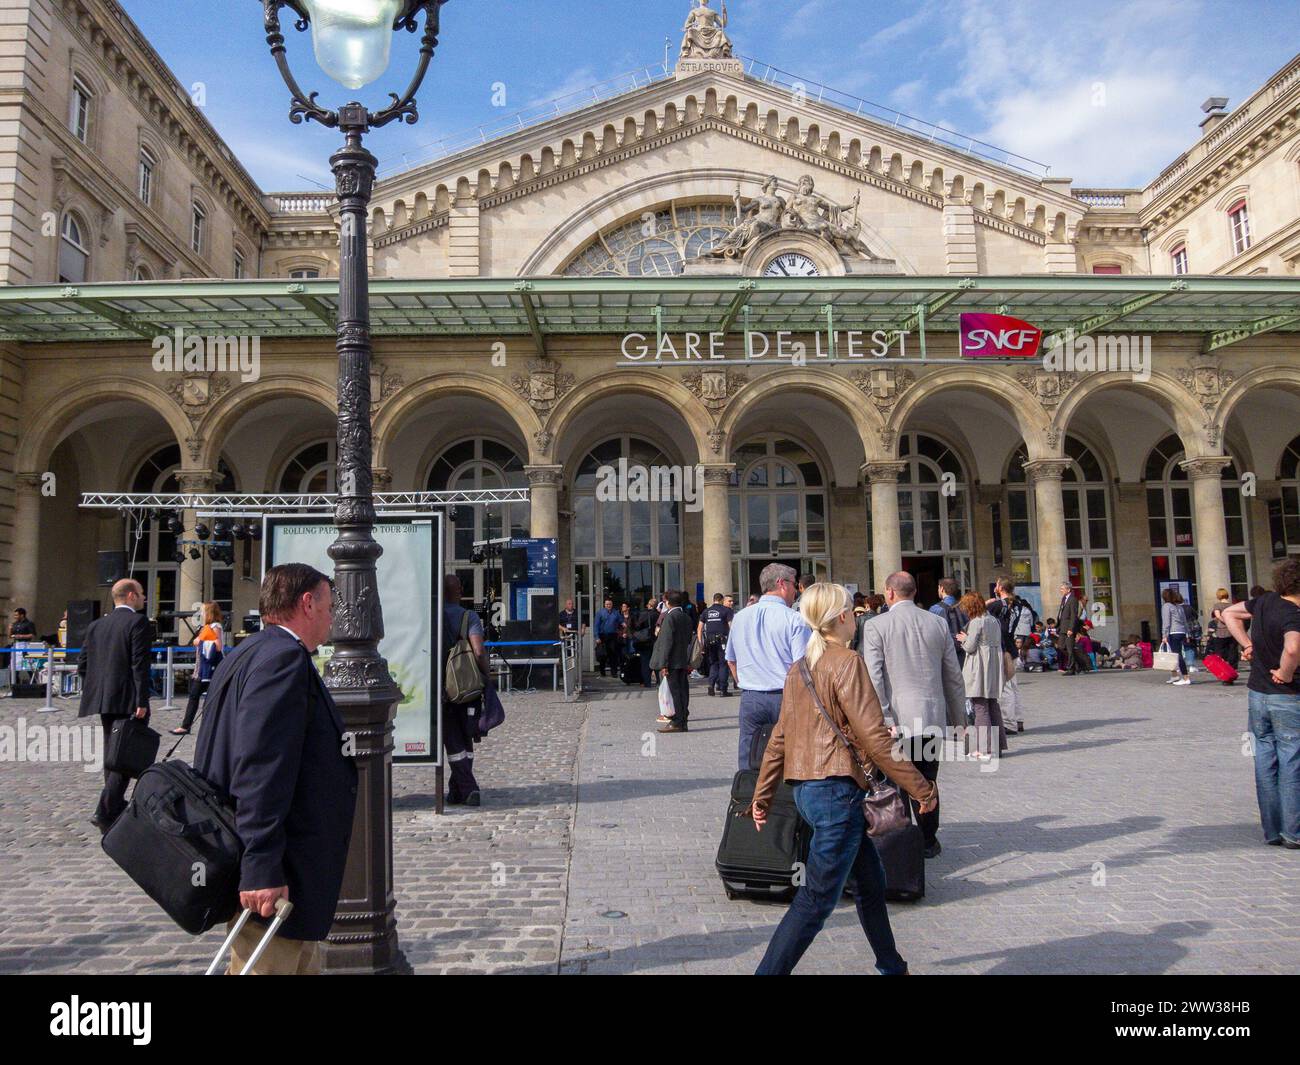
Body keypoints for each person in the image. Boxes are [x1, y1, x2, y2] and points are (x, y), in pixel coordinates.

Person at [751, 582, 937, 976]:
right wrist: (921, 787)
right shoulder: (847, 662)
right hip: (836, 792)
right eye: (851, 611)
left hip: (808, 791)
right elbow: (875, 738)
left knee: (871, 883)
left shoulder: (799, 668)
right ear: (840, 618)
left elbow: (778, 739)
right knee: (815, 902)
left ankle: (891, 965)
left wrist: (762, 795)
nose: (855, 617)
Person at [194, 563, 356, 975]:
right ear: (306, 603)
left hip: (279, 867)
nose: (332, 616)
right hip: (277, 871)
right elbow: (260, 767)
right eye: (329, 605)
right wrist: (262, 864)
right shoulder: (283, 659)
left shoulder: (251, 650)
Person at [860, 571, 966, 859]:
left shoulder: (877, 625)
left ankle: (902, 839)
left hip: (898, 720)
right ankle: (929, 839)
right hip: (930, 717)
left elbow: (874, 677)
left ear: (890, 593)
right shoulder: (937, 622)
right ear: (915, 592)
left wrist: (884, 719)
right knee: (927, 778)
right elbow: (953, 675)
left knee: (897, 780)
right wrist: (960, 720)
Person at [1223, 558, 1300, 849]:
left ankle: (1272, 830)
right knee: (1292, 761)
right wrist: (1285, 671)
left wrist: (1248, 644)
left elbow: (1228, 613)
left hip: (1257, 695)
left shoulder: (1264, 601)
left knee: (1265, 760)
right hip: (1288, 696)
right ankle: (1293, 831)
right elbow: (1293, 648)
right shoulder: (1294, 613)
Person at [77, 579, 152, 834]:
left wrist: (96, 688)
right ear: (131, 596)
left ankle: (114, 806)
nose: (144, 598)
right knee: (126, 755)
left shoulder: (96, 625)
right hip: (128, 698)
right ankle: (106, 808)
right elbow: (138, 664)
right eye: (141, 594)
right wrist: (141, 700)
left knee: (113, 751)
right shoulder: (138, 622)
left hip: (103, 699)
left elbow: (82, 664)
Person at [725, 563, 811, 768]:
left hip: (751, 696)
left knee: (749, 752)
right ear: (781, 584)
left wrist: (743, 682)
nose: (795, 591)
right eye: (793, 584)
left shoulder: (739, 617)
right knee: (792, 753)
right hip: (785, 695)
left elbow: (730, 659)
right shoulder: (795, 619)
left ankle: (747, 793)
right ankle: (785, 797)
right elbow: (802, 666)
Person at [441, 574, 490, 805]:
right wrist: (486, 677)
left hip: (443, 688)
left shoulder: (434, 616)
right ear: (460, 590)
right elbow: (479, 651)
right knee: (465, 737)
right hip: (468, 686)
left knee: (453, 738)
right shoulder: (468, 616)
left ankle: (458, 789)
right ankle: (468, 788)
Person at [958, 592, 1006, 761]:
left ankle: (983, 748)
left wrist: (964, 638)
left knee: (980, 707)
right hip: (992, 664)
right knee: (992, 705)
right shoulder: (993, 620)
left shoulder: (976, 622)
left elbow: (970, 647)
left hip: (979, 666)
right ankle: (998, 746)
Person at [172, 602, 225, 735]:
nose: (201, 614)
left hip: (210, 669)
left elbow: (218, 646)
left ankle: (210, 726)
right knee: (194, 696)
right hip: (201, 669)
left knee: (207, 698)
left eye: (203, 611)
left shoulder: (215, 626)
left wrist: (200, 641)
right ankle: (186, 725)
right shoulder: (206, 627)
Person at [986, 578, 1026, 733]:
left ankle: (1009, 723)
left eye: (996, 584)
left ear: (1001, 587)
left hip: (1004, 649)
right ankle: (1018, 718)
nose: (995, 587)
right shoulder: (1017, 604)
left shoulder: (998, 604)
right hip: (1012, 647)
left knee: (1005, 687)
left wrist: (987, 603)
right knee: (1013, 685)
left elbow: (979, 614)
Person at [651, 590, 694, 733]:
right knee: (683, 691)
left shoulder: (670, 617)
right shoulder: (686, 617)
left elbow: (666, 642)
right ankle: (683, 720)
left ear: (667, 602)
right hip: (682, 659)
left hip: (672, 661)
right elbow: (688, 639)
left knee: (675, 692)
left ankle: (677, 721)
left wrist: (663, 664)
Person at [698, 592, 734, 697]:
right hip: (722, 640)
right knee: (723, 664)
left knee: (713, 663)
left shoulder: (706, 611)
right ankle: (723, 689)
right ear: (722, 600)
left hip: (709, 641)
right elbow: (731, 626)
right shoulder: (726, 610)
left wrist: (700, 643)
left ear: (713, 599)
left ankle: (711, 685)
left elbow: (699, 628)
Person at [929, 577, 967, 664]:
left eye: (938, 588)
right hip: (964, 652)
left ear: (942, 588)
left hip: (945, 654)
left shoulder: (935, 609)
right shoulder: (965, 607)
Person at [1160, 586, 1191, 686]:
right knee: (1174, 655)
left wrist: (1164, 635)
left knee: (1177, 656)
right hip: (1181, 632)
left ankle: (1186, 677)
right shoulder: (1179, 606)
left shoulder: (1166, 606)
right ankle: (1174, 675)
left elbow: (1166, 622)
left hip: (1173, 632)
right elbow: (1185, 621)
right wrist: (1187, 633)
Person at [1207, 588, 1239, 669]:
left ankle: (1222, 666)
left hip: (1221, 630)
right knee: (1232, 649)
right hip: (1232, 629)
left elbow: (1218, 616)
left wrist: (1225, 621)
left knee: (1220, 650)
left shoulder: (1217, 605)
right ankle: (1233, 666)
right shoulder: (1232, 605)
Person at [630, 596, 657, 687]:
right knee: (656, 662)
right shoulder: (658, 614)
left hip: (645, 641)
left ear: (649, 605)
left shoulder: (643, 614)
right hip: (655, 641)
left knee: (645, 662)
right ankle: (659, 681)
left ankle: (647, 682)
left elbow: (637, 626)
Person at [1056, 582, 1081, 676]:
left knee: (1070, 648)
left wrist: (1071, 628)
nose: (1061, 590)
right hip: (1062, 627)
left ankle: (1071, 668)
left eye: (1062, 589)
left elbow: (1074, 616)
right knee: (1061, 646)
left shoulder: (1073, 599)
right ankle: (1076, 664)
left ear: (1068, 589)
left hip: (1068, 628)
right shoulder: (1064, 599)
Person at [594, 597, 622, 677]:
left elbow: (621, 620)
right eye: (607, 604)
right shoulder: (600, 613)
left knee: (613, 654)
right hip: (602, 636)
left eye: (609, 604)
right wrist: (597, 637)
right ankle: (602, 672)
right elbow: (596, 626)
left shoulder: (616, 612)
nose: (608, 605)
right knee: (603, 655)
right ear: (604, 605)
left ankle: (614, 672)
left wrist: (623, 623)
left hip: (613, 635)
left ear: (612, 604)